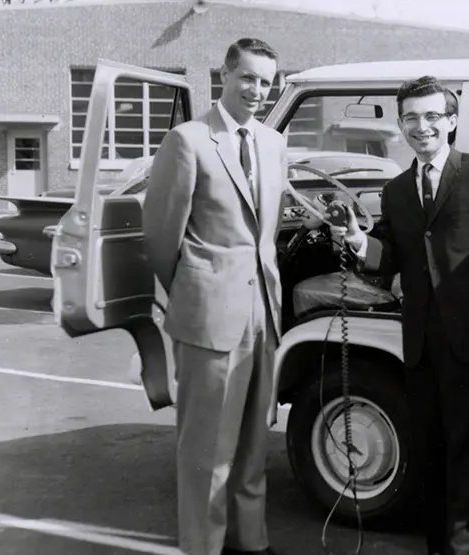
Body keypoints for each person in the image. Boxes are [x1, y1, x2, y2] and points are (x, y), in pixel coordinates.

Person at [329, 76, 469, 555]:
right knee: (429, 450)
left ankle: (462, 549)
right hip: (419, 339)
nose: (422, 127)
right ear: (400, 125)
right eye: (411, 118)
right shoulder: (397, 188)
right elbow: (393, 254)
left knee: (464, 450)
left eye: (432, 116)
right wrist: (359, 241)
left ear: (452, 121)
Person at [143, 37, 292, 555]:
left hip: (263, 316)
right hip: (209, 316)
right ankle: (203, 546)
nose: (256, 90)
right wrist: (197, 292)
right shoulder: (187, 140)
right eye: (247, 78)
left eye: (266, 82)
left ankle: (251, 542)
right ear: (224, 76)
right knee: (207, 451)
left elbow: (266, 234)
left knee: (255, 443)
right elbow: (162, 238)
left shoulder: (273, 143)